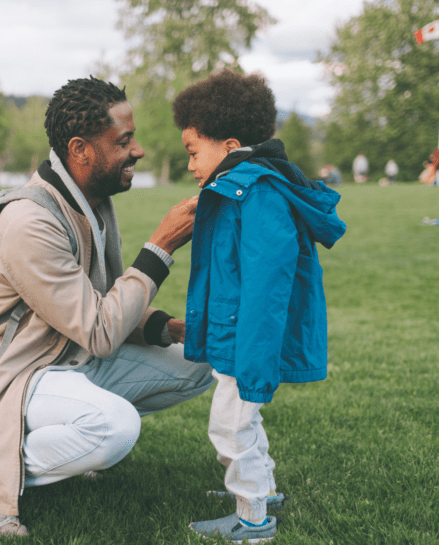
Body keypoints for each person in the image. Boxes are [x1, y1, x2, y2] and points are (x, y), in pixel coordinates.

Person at [0, 76, 215, 537]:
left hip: (70, 358)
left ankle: (66, 441)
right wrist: (161, 247)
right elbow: (100, 330)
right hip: (17, 376)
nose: (139, 151)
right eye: (124, 141)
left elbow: (108, 302)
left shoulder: (90, 202)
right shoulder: (30, 221)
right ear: (81, 149)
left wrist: (171, 329)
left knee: (200, 362)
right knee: (117, 428)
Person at [171, 69, 346, 543]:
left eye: (193, 152)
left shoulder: (257, 193)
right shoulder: (237, 189)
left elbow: (268, 288)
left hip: (247, 340)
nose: (190, 165)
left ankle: (253, 519)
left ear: (229, 146)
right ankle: (262, 491)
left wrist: (255, 358)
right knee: (243, 420)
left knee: (229, 427)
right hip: (235, 334)